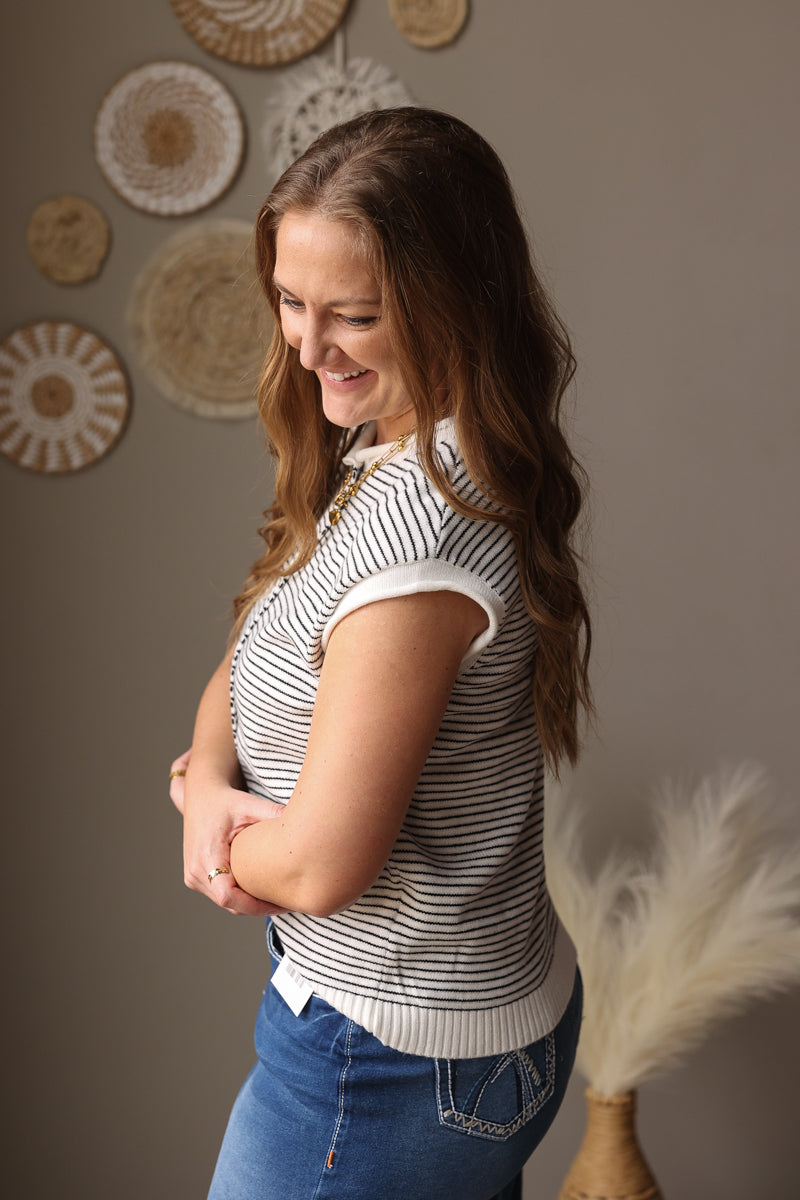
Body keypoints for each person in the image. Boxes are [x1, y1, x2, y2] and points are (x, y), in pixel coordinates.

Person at [170, 107, 591, 1200]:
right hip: (444, 1026)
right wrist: (208, 779)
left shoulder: (420, 544)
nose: (306, 347)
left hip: (385, 1061)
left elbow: (318, 865)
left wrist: (205, 837)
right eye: (290, 302)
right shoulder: (398, 456)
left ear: (455, 303)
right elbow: (257, 645)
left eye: (350, 315)